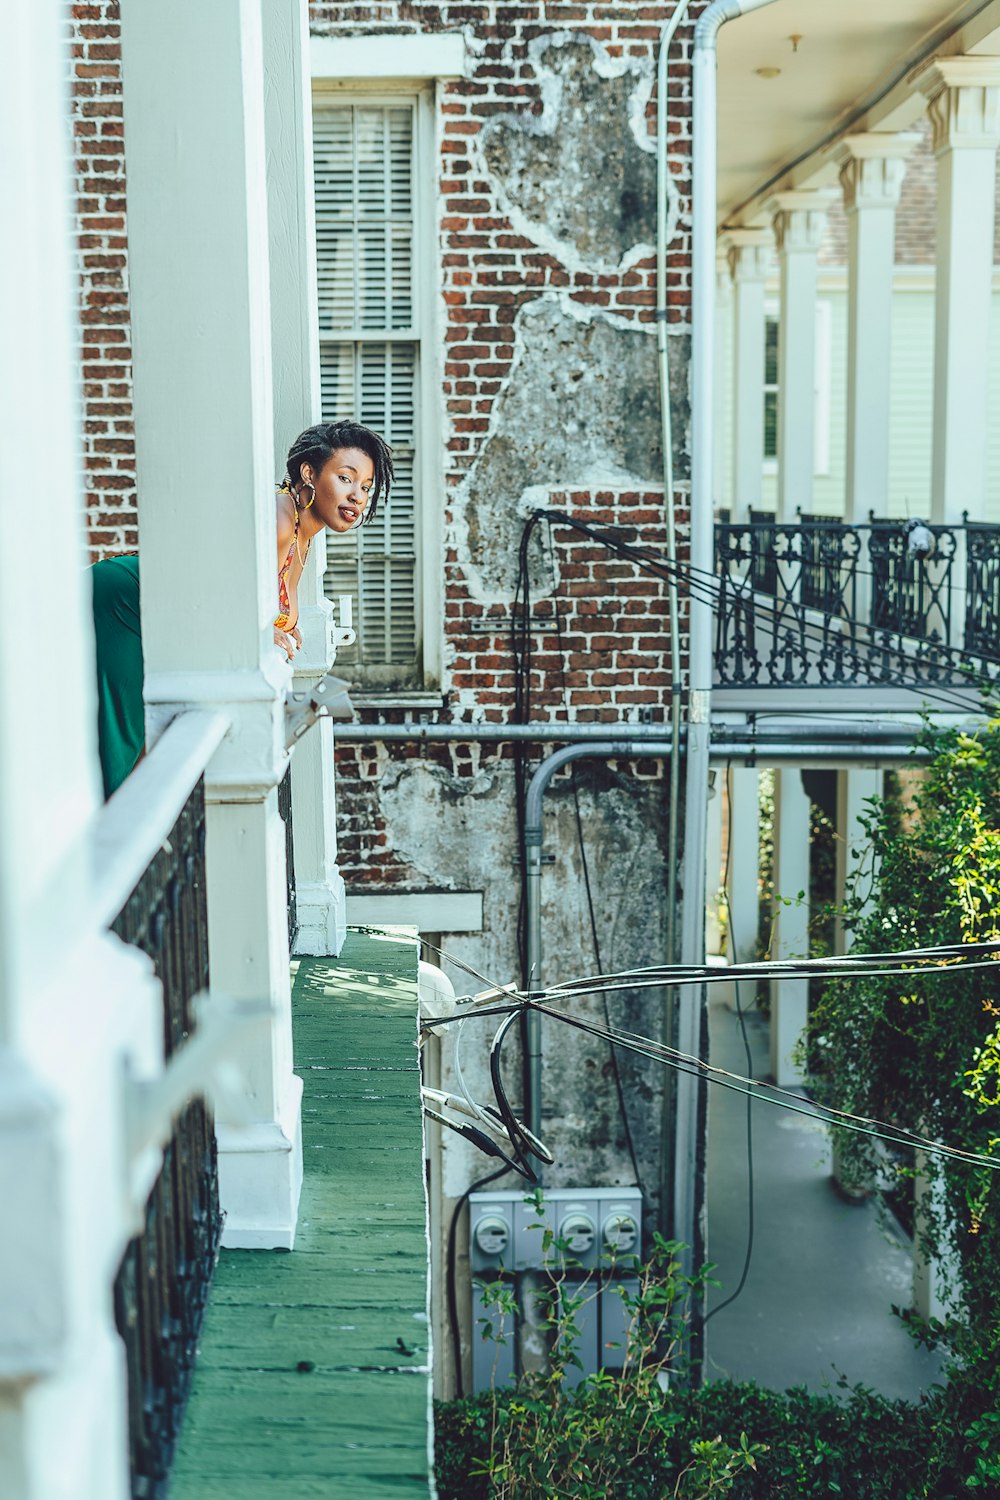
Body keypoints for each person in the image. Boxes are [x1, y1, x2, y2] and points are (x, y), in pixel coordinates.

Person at [91, 419, 393, 797]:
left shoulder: (303, 536)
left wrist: (283, 627)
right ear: (309, 473)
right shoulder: (280, 521)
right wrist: (262, 631)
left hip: (157, 609)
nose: (357, 496)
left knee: (136, 739)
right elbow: (224, 602)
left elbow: (271, 606)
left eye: (365, 486)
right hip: (127, 602)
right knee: (120, 735)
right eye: (346, 478)